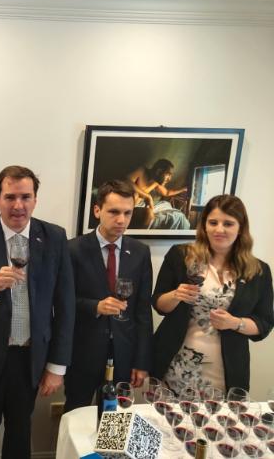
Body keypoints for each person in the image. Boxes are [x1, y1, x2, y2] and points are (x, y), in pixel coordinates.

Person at [0, 165, 75, 459]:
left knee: (20, 431)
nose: (18, 205)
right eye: (10, 197)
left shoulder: (55, 237)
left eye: (25, 197)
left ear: (35, 200)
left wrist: (57, 366)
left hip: (30, 357)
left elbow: (65, 304)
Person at [152, 194, 273, 395]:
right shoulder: (181, 256)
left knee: (216, 415)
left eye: (228, 223)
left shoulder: (258, 270)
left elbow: (265, 323)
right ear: (204, 226)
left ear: (240, 228)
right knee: (166, 414)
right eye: (213, 222)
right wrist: (176, 295)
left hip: (225, 372)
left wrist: (234, 323)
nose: (219, 229)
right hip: (174, 365)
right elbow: (158, 303)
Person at [64, 180, 153, 412]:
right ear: (97, 211)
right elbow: (61, 303)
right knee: (77, 413)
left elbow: (143, 311)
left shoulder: (141, 252)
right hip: (82, 351)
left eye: (127, 213)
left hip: (124, 351)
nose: (121, 220)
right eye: (114, 212)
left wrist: (142, 361)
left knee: (116, 419)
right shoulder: (72, 249)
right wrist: (95, 306)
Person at [127, 158, 190, 229]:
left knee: (177, 214)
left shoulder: (155, 182)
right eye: (168, 174)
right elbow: (127, 181)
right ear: (158, 171)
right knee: (149, 213)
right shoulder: (141, 171)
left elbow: (167, 192)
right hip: (131, 207)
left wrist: (183, 189)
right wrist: (147, 196)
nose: (169, 179)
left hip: (141, 204)